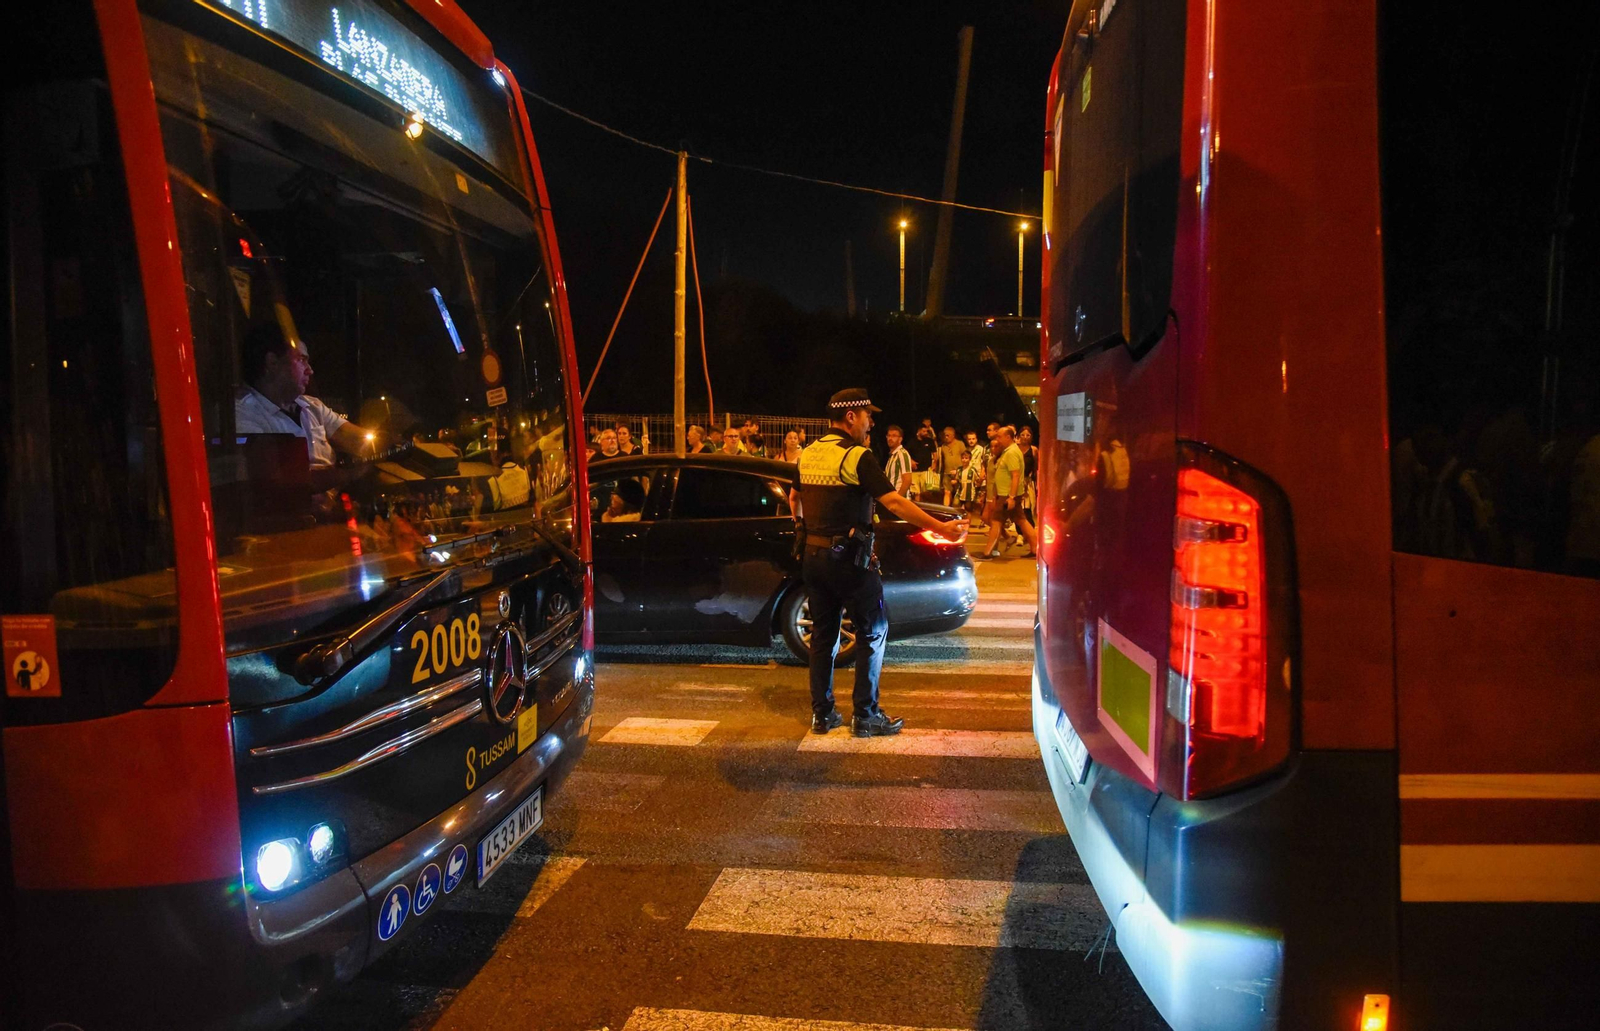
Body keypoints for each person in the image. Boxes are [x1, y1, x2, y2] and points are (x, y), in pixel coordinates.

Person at [790, 389, 967, 737]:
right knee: (873, 631)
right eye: (868, 415)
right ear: (851, 416)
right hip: (849, 562)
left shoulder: (808, 454)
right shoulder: (858, 456)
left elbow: (795, 497)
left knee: (824, 635)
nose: (872, 421)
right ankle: (866, 715)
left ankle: (823, 714)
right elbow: (895, 503)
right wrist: (941, 528)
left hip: (813, 557)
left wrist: (800, 527)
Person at [234, 323, 376, 469]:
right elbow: (281, 480)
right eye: (301, 360)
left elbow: (353, 438)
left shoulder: (312, 406)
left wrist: (396, 442)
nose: (310, 370)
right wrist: (350, 474)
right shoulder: (244, 414)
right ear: (272, 362)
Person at [982, 426, 1035, 559]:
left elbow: (1015, 475)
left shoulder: (1011, 452)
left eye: (999, 436)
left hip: (1007, 494)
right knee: (1022, 520)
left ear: (1008, 437)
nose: (997, 439)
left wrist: (1011, 497)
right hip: (1007, 493)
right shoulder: (1010, 451)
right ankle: (1035, 548)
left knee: (996, 521)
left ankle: (988, 552)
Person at [937, 425, 966, 505]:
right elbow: (942, 462)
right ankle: (946, 511)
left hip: (958, 473)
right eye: (945, 435)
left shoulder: (960, 444)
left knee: (959, 493)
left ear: (953, 435)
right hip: (947, 473)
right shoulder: (943, 446)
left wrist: (961, 470)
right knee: (947, 492)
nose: (946, 437)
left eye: (948, 435)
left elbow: (966, 457)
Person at [883, 425, 914, 495]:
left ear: (900, 439)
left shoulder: (902, 454)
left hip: (897, 500)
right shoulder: (892, 455)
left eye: (894, 436)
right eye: (889, 435)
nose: (890, 438)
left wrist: (898, 499)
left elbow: (907, 480)